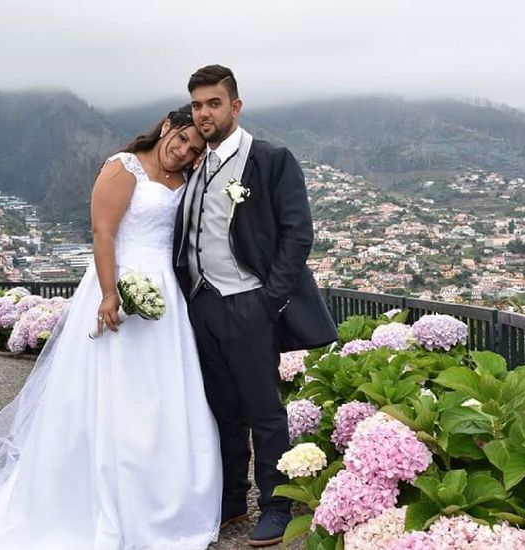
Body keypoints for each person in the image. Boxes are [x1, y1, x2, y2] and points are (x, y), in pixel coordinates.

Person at [0, 105, 223, 550]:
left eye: (193, 150)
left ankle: (161, 500)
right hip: (117, 286)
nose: (183, 152)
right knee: (107, 393)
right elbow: (103, 233)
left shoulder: (186, 182)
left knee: (162, 396)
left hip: (165, 303)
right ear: (166, 127)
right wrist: (110, 294)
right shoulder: (124, 167)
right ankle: (91, 499)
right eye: (180, 140)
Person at [172, 65, 338, 547]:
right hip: (202, 305)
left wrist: (270, 301)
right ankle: (228, 502)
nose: (204, 113)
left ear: (235, 107)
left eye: (213, 104)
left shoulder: (269, 158)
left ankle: (277, 506)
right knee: (221, 411)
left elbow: (297, 232)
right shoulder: (195, 165)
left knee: (264, 411)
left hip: (250, 304)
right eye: (198, 105)